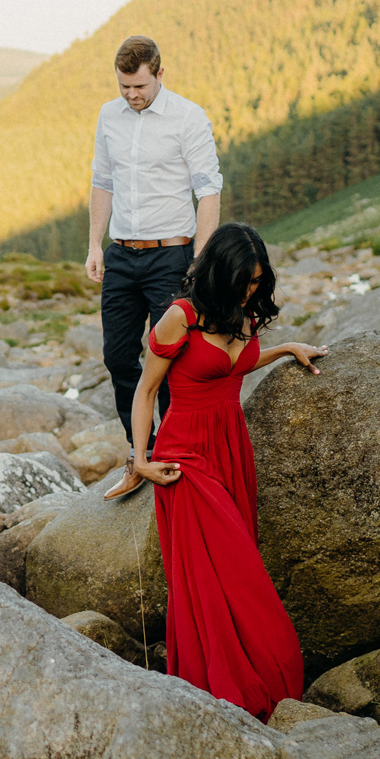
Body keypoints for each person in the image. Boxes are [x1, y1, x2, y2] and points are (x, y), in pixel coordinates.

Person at [129, 222, 324, 721]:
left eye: (258, 281)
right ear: (220, 271)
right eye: (245, 279)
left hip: (232, 450)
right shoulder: (181, 317)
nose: (252, 289)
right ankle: (234, 692)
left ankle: (253, 687)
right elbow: (146, 390)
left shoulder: (244, 313)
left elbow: (235, 367)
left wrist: (285, 349)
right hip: (185, 460)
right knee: (232, 580)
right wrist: (141, 460)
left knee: (230, 573)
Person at [84, 34, 222, 501]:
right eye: (124, 87)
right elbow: (102, 181)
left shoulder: (188, 117)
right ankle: (138, 452)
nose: (131, 95)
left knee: (170, 363)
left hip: (172, 256)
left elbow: (208, 190)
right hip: (122, 253)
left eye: (139, 86)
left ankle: (173, 453)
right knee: (118, 356)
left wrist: (200, 262)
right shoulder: (109, 115)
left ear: (159, 74)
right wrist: (94, 246)